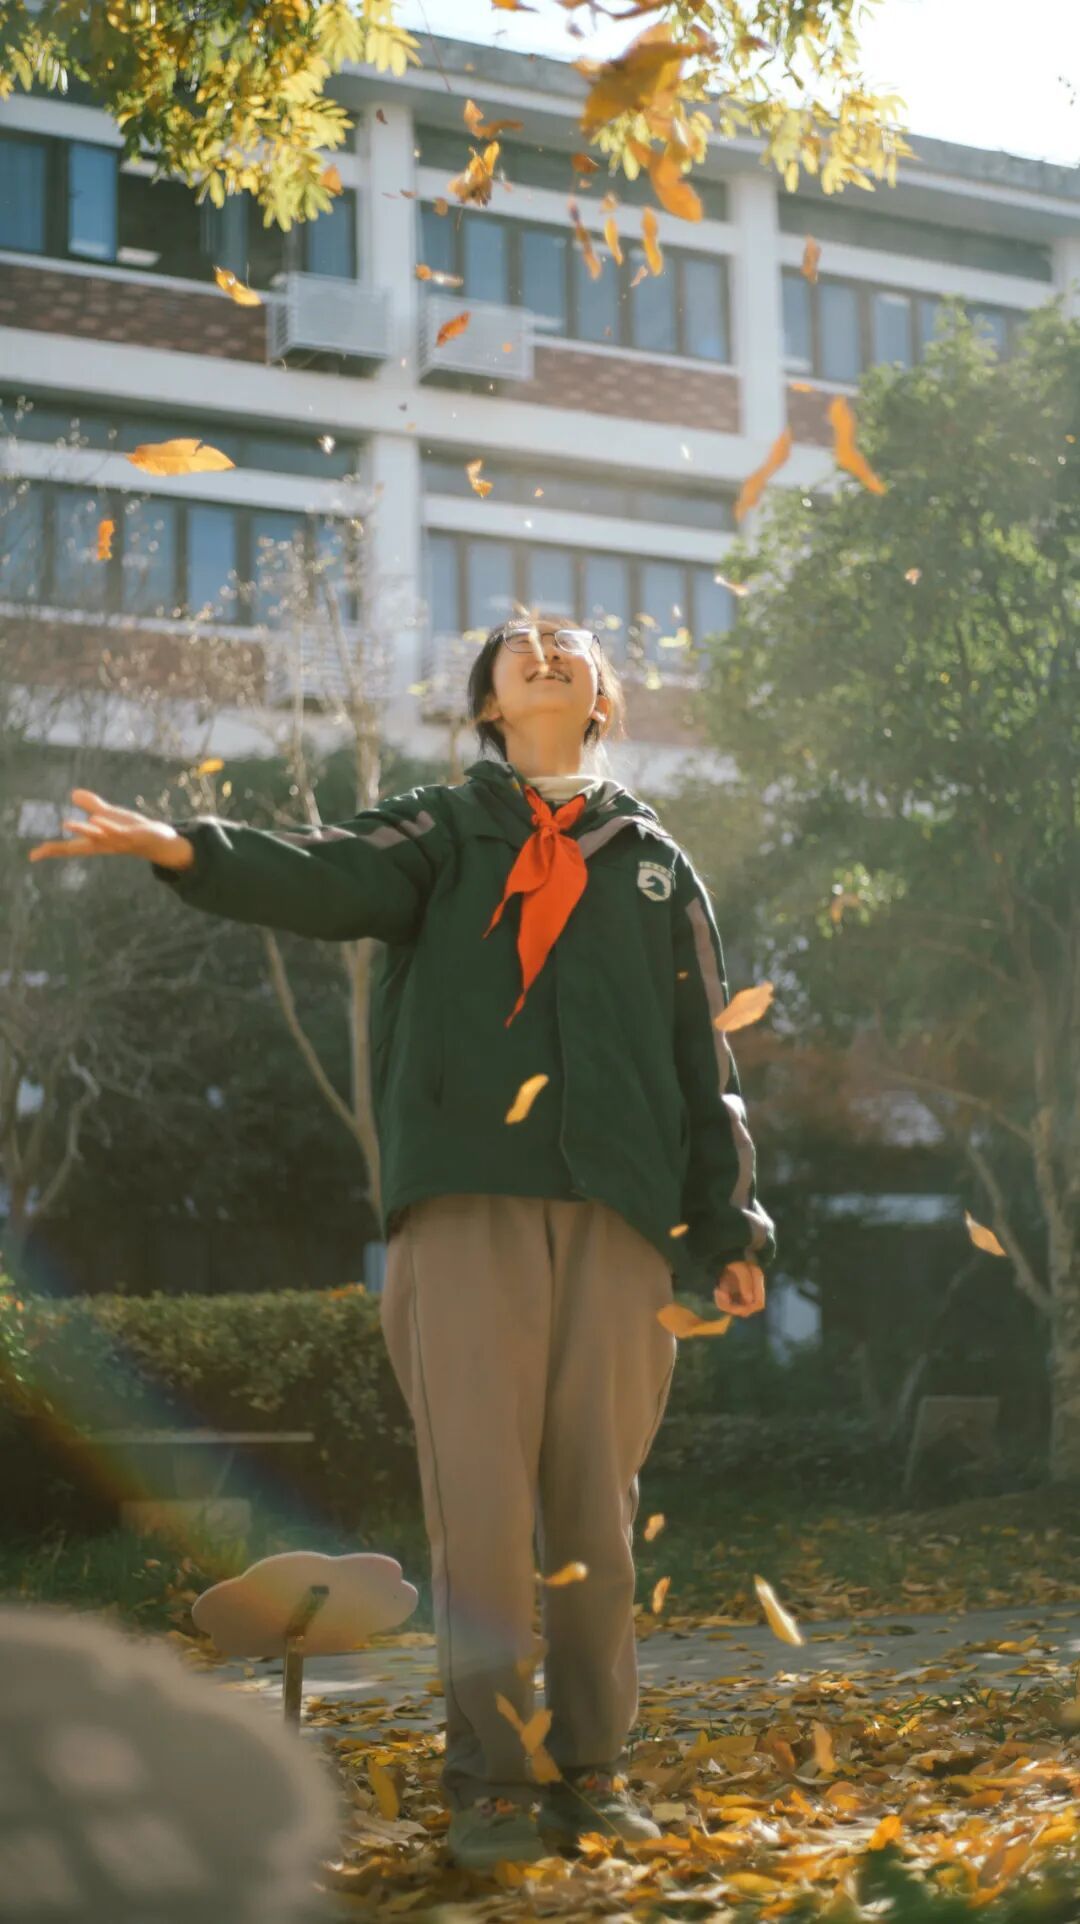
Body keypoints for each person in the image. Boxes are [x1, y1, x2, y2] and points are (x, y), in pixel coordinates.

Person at [27, 613, 777, 1872]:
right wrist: (187, 848)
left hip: (622, 1222)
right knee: (481, 1511)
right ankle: (494, 1779)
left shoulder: (655, 864)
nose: (545, 648)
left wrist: (730, 1223)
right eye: (518, 644)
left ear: (602, 695)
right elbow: (325, 872)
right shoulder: (442, 829)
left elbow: (703, 1058)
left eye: (570, 641)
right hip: (466, 1206)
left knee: (596, 1510)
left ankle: (594, 1770)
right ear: (487, 702)